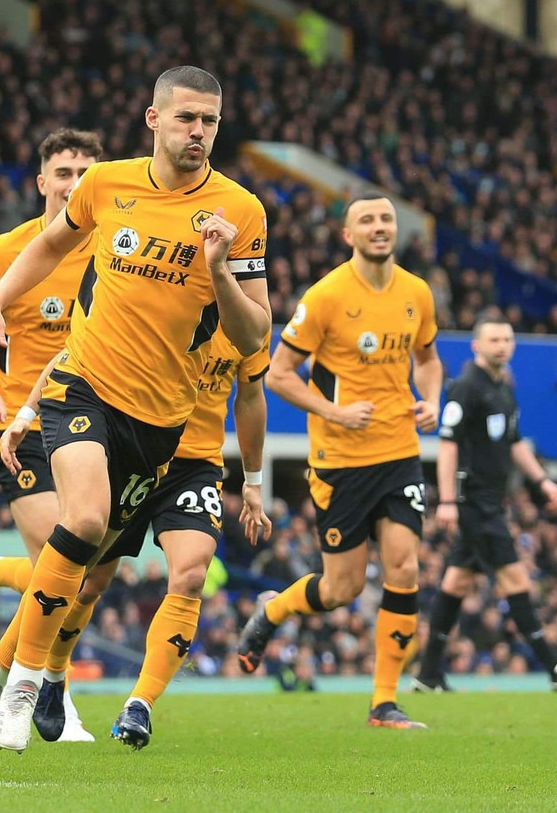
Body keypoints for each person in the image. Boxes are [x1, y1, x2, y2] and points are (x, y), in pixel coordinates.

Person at [0, 65, 270, 757]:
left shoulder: (240, 211)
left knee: (88, 571)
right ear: (153, 119)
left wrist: (217, 269)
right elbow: (49, 244)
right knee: (84, 520)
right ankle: (28, 686)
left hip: (160, 422)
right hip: (80, 383)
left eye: (210, 121)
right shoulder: (108, 185)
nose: (198, 132)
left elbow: (253, 341)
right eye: (186, 118)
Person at [0, 327, 273, 748]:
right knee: (86, 582)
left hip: (193, 466)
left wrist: (253, 481)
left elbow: (251, 398)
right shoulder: (157, 292)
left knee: (192, 575)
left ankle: (140, 703)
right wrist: (26, 414)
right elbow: (76, 354)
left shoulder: (247, 318)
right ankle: (52, 671)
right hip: (134, 448)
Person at [236, 192, 442, 730]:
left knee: (404, 566)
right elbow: (279, 375)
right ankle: (273, 609)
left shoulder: (416, 293)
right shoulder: (327, 296)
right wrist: (334, 411)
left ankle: (383, 702)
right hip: (341, 458)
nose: (379, 227)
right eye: (367, 220)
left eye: (387, 219)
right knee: (341, 589)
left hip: (399, 450)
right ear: (348, 235)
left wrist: (432, 401)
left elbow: (428, 358)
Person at [0, 128, 103, 742]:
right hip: (23, 428)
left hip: (96, 421)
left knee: (81, 578)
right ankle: (34, 692)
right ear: (42, 181)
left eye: (85, 174)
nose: (74, 185)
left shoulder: (116, 252)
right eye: (64, 173)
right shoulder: (8, 251)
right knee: (57, 568)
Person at [413, 313, 557, 693]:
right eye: (494, 340)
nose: (502, 346)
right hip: (473, 499)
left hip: (493, 499)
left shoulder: (504, 388)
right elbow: (447, 444)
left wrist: (542, 481)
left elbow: (514, 442)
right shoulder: (465, 386)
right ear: (476, 345)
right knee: (515, 577)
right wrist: (447, 500)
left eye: (507, 340)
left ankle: (429, 674)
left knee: (457, 581)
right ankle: (556, 668)